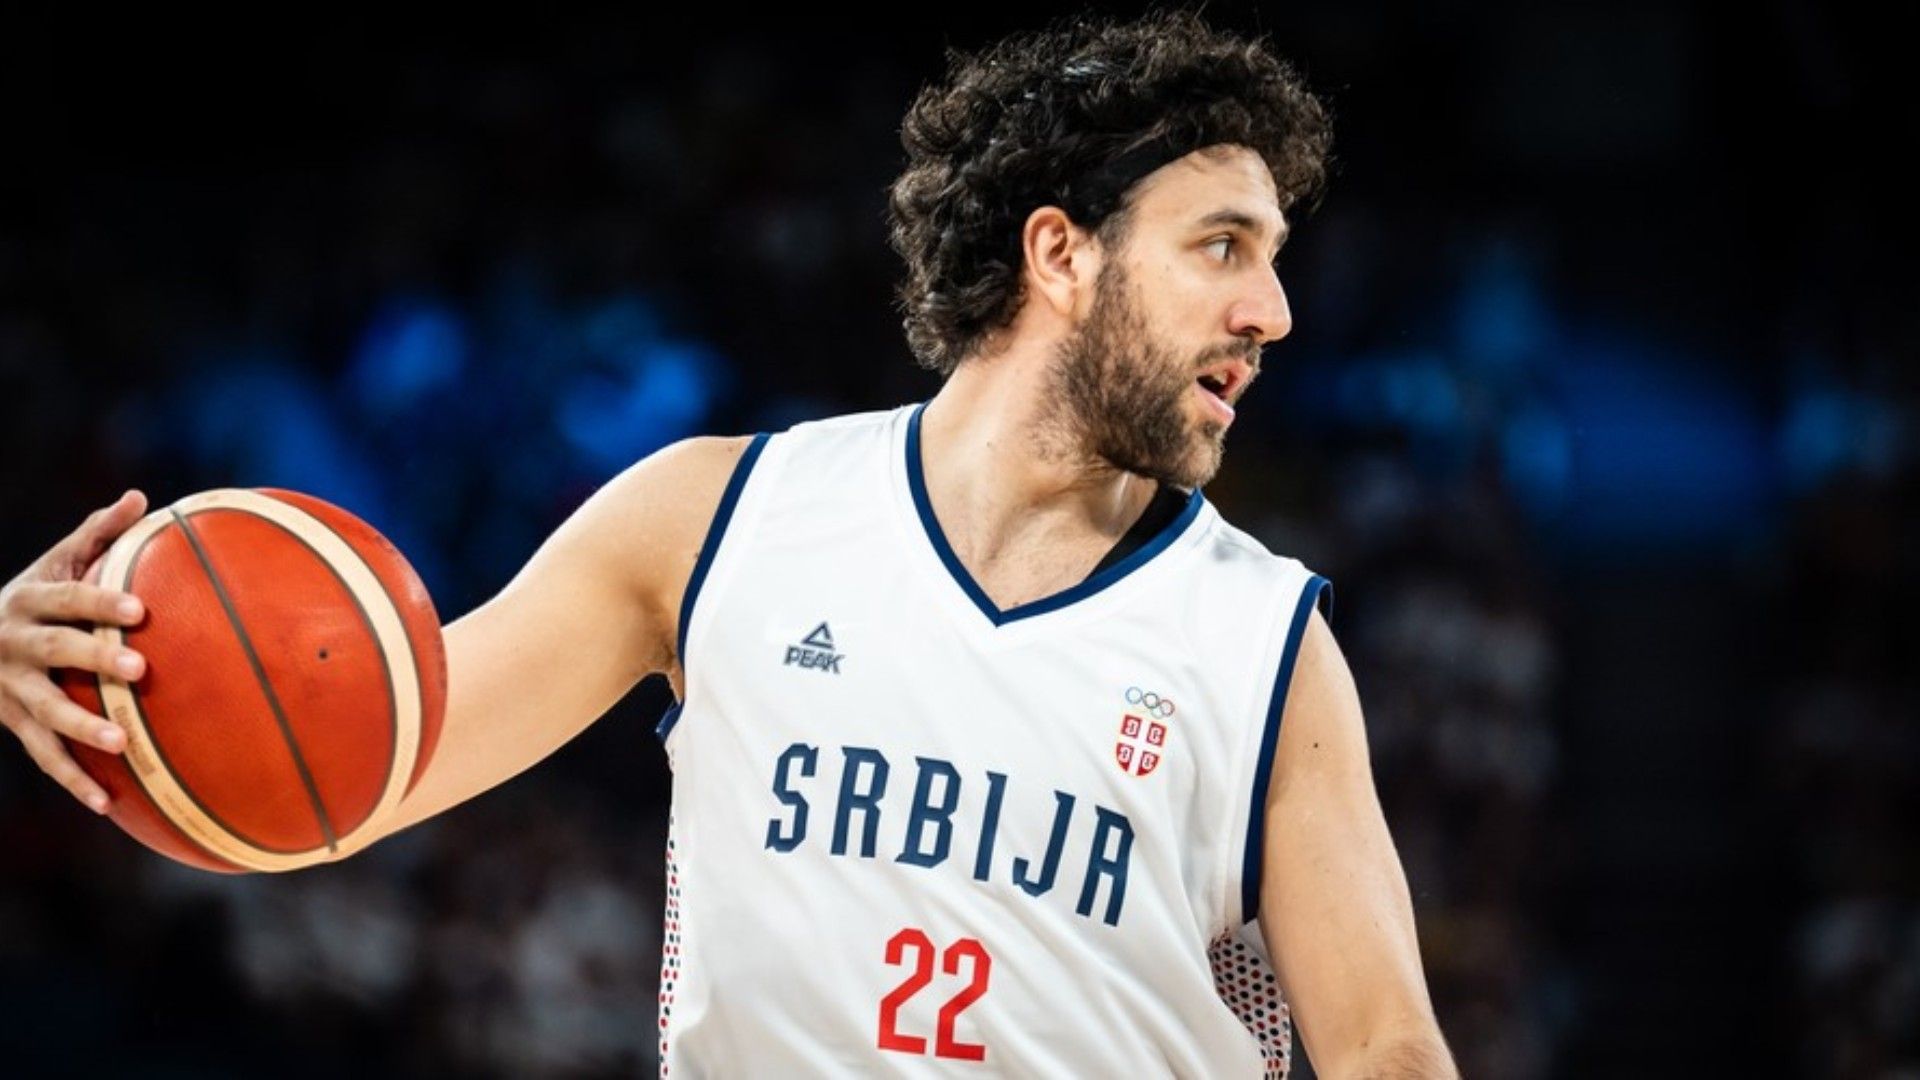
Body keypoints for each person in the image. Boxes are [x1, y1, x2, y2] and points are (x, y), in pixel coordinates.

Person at [0, 10, 1456, 1077]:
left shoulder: (1264, 644)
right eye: (1222, 245)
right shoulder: (714, 519)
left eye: (1273, 259)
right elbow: (352, 773)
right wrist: (75, 680)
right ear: (1060, 253)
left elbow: (1386, 1045)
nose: (1274, 312)